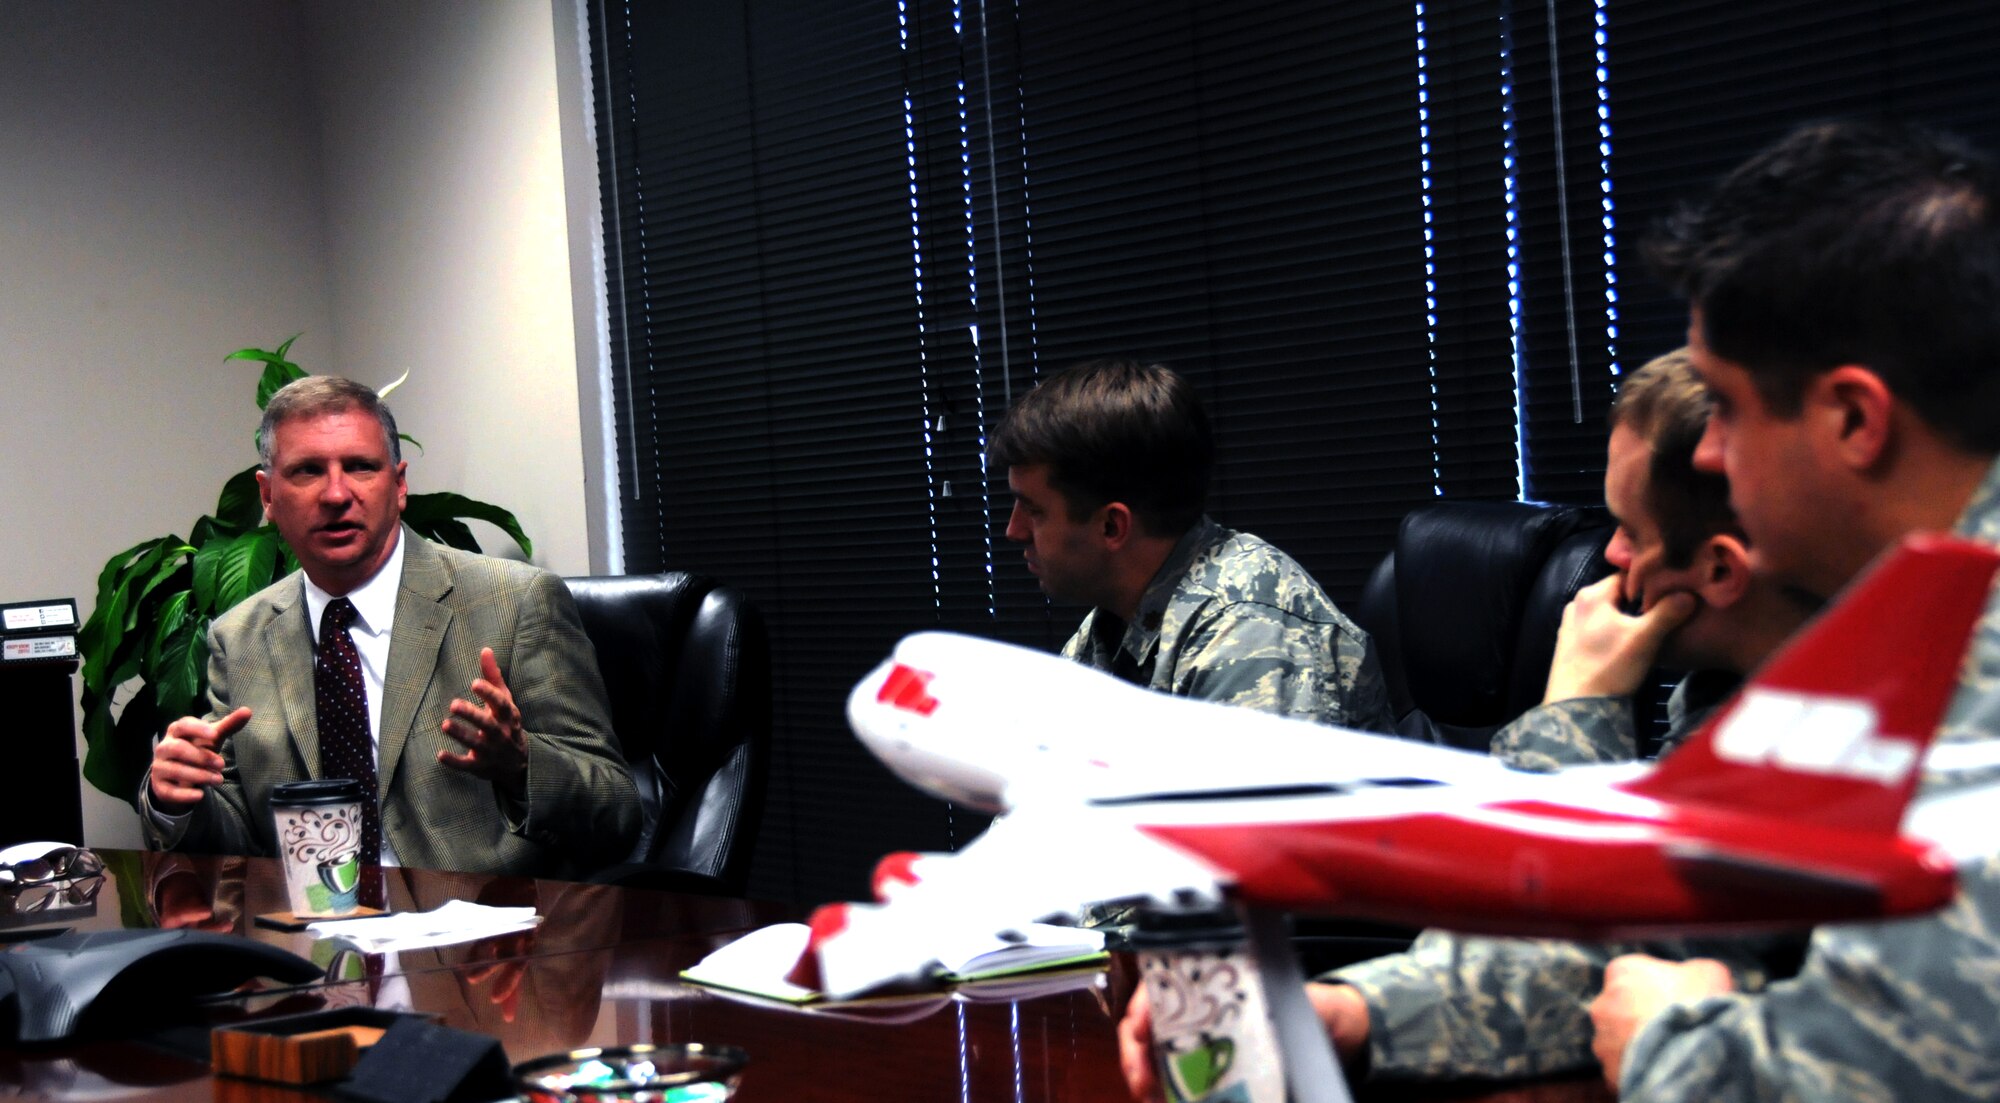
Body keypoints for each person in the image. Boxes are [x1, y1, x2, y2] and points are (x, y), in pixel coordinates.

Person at [1116, 349, 1814, 1096]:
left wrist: (1575, 707)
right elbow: (1573, 966)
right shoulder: (1724, 696)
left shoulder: (1828, 744)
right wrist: (1348, 1011)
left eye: (1629, 530)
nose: (1608, 557)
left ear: (1718, 571)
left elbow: (1578, 942)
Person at [1584, 119, 2000, 1102]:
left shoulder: (1975, 653)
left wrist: (1667, 1037)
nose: (1705, 456)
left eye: (1725, 407)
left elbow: (1878, 1075)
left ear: (1852, 419)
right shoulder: (1916, 612)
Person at [140, 377, 639, 878]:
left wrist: (522, 765)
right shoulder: (240, 637)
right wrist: (176, 798)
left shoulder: (517, 603)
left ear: (399, 485)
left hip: (483, 939)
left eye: (360, 467)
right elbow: (240, 845)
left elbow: (618, 810)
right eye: (308, 471)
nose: (336, 494)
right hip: (315, 935)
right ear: (268, 496)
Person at [988, 358, 1394, 731]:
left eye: (1033, 510)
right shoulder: (1114, 624)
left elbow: (1241, 811)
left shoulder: (1252, 632)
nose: (1014, 530)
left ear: (1112, 526)